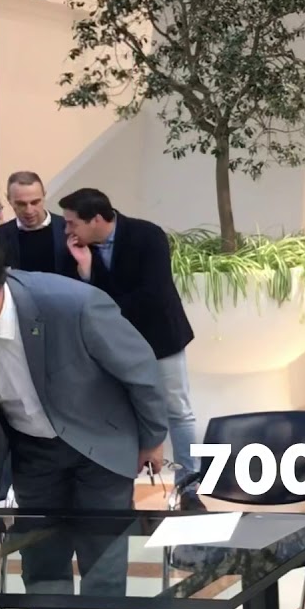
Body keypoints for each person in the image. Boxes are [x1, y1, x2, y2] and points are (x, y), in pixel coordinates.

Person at [0, 239, 169, 599]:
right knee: (40, 557)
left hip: (100, 441)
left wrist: (152, 438)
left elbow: (142, 372)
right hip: (31, 449)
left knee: (102, 556)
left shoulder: (74, 304)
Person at [57, 188, 200, 505]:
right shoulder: (75, 249)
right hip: (113, 346)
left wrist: (105, 307)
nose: (67, 230)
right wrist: (85, 270)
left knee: (178, 410)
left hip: (160, 338)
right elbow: (76, 299)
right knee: (122, 415)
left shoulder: (147, 235)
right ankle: (122, 492)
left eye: (72, 223)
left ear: (96, 219)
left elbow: (153, 295)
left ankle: (190, 486)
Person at [0, 172, 68, 274]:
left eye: (35, 202)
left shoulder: (68, 229)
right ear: (9, 200)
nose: (29, 211)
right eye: (21, 204)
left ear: (44, 196)